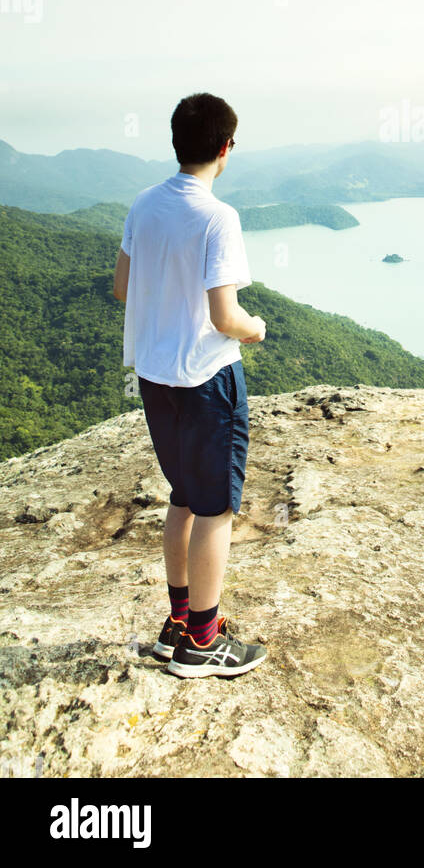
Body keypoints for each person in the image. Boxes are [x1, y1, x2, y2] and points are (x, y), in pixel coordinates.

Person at [112, 92, 268, 677]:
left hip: (154, 377)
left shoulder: (144, 205)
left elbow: (124, 288)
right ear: (226, 148)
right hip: (205, 379)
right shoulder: (217, 217)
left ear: (176, 141)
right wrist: (255, 330)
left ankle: (178, 623)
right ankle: (202, 643)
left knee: (182, 494)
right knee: (216, 509)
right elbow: (225, 316)